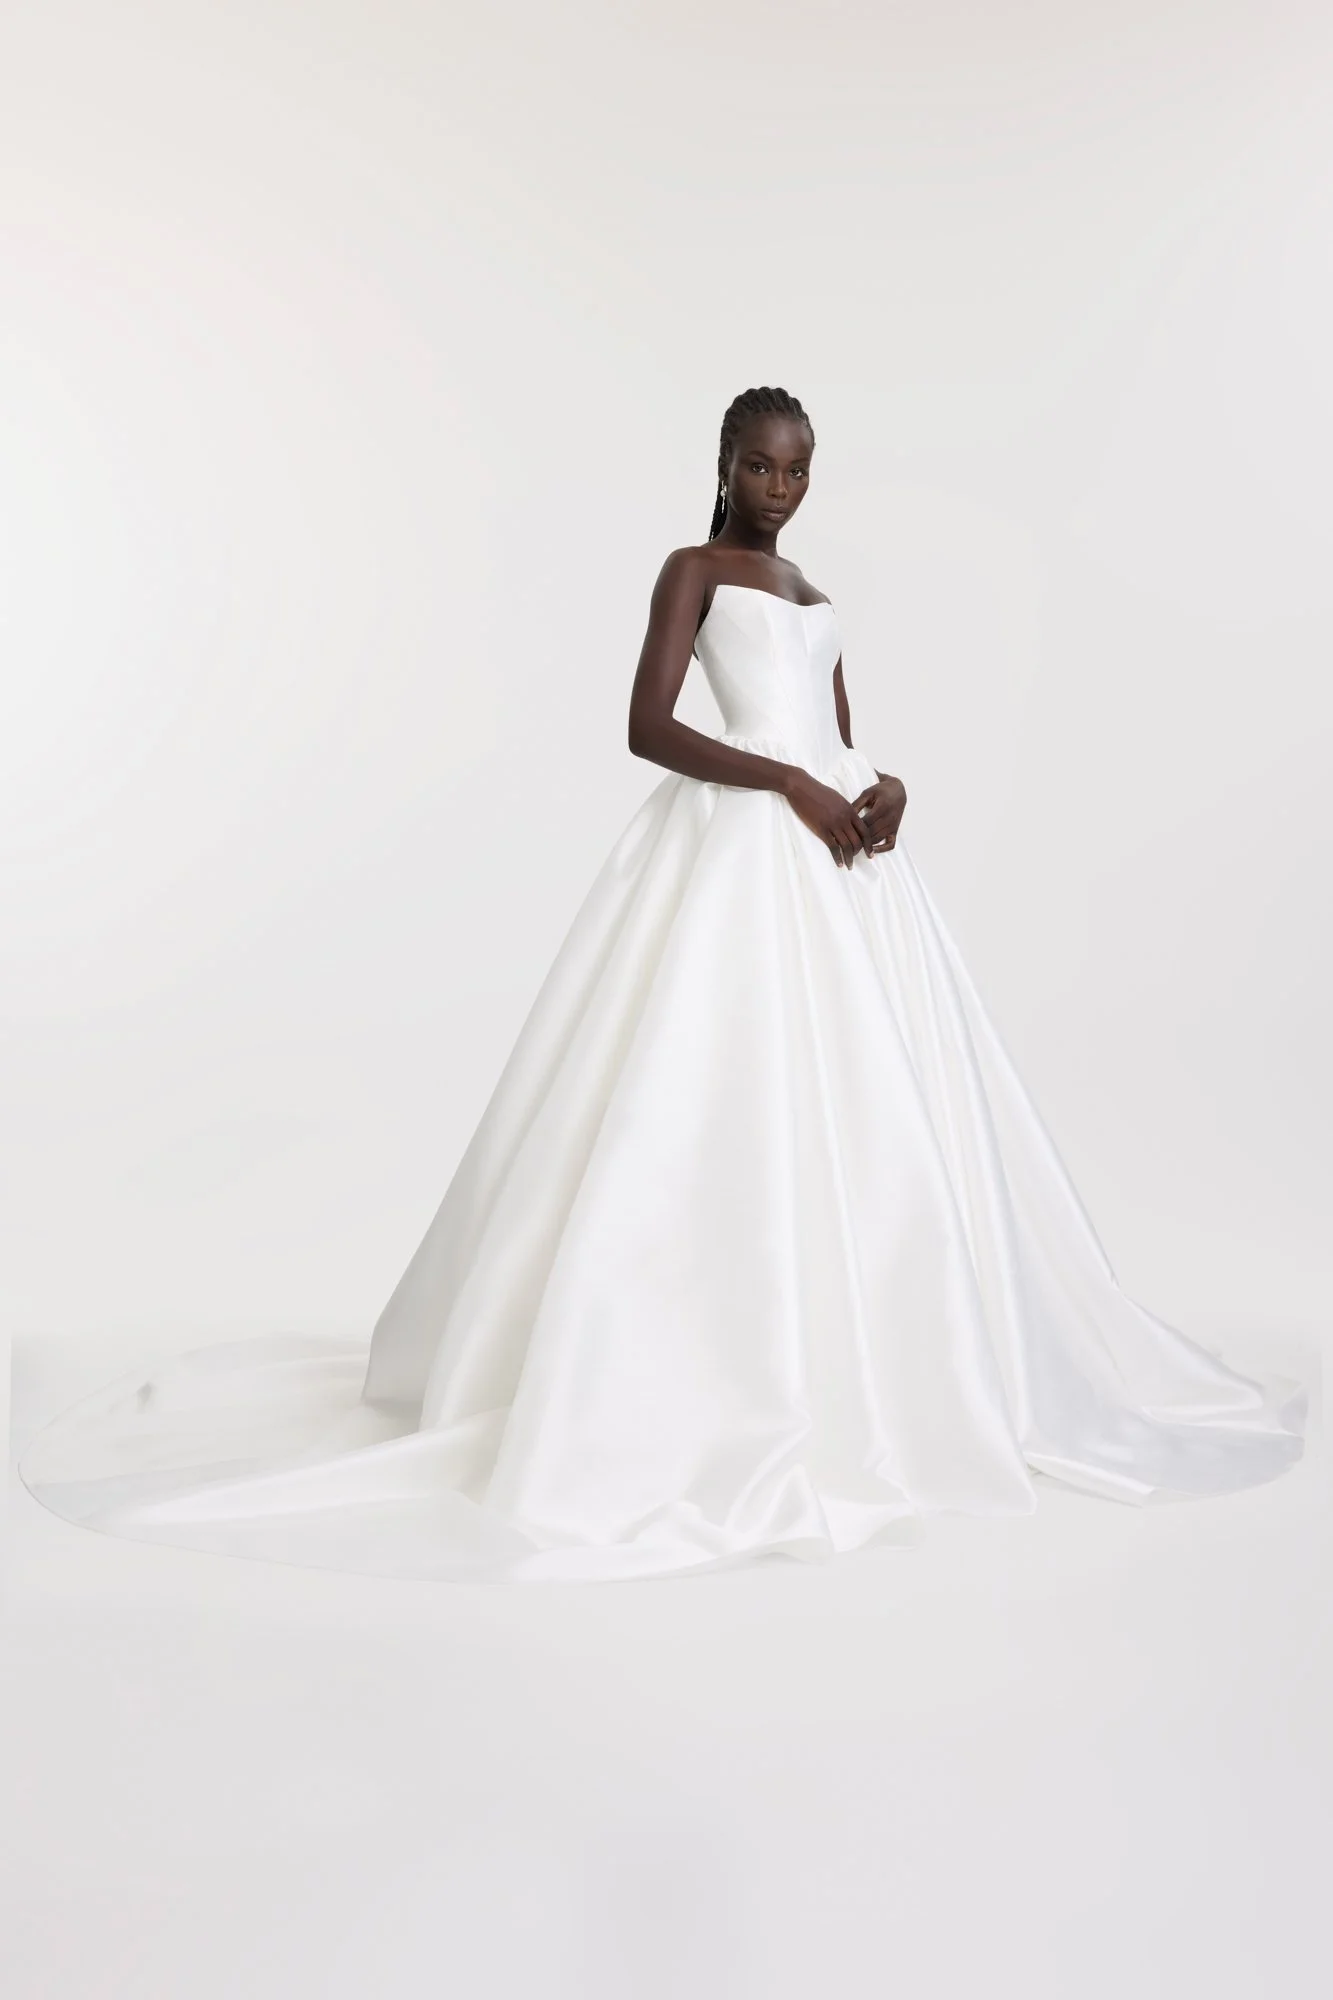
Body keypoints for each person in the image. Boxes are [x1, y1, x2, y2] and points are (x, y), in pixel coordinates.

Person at [20, 385, 1305, 1582]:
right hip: (737, 850)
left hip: (839, 868)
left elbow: (841, 735)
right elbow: (647, 725)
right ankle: (665, 1375)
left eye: (796, 467)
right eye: (757, 463)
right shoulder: (694, 571)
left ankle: (876, 1371)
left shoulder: (811, 587)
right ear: (722, 465)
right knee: (695, 1091)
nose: (777, 485)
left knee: (875, 1116)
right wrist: (788, 782)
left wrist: (877, 785)